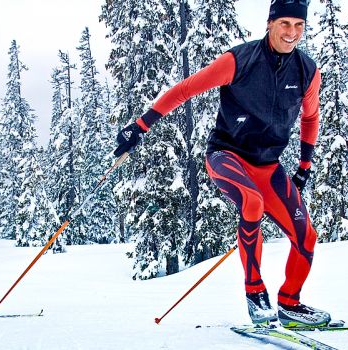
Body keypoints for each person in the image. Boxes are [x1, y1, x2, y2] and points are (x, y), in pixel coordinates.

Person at [113, 0, 329, 327]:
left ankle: (289, 302)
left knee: (306, 237)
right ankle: (255, 294)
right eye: (285, 24)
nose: (292, 33)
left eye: (299, 25)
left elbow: (310, 118)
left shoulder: (307, 72)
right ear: (270, 22)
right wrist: (141, 125)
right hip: (226, 155)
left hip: (269, 166)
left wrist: (304, 167)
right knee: (252, 202)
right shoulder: (239, 61)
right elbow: (186, 89)